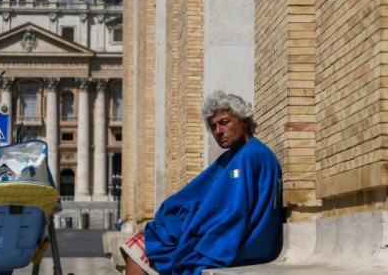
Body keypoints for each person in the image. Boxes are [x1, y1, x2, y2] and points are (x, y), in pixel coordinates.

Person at [121, 91, 283, 275]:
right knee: (148, 240)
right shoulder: (236, 155)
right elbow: (197, 196)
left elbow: (232, 213)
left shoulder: (249, 156)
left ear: (244, 121)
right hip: (239, 239)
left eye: (224, 122)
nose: (218, 132)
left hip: (237, 244)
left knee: (139, 250)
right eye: (213, 127)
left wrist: (192, 232)